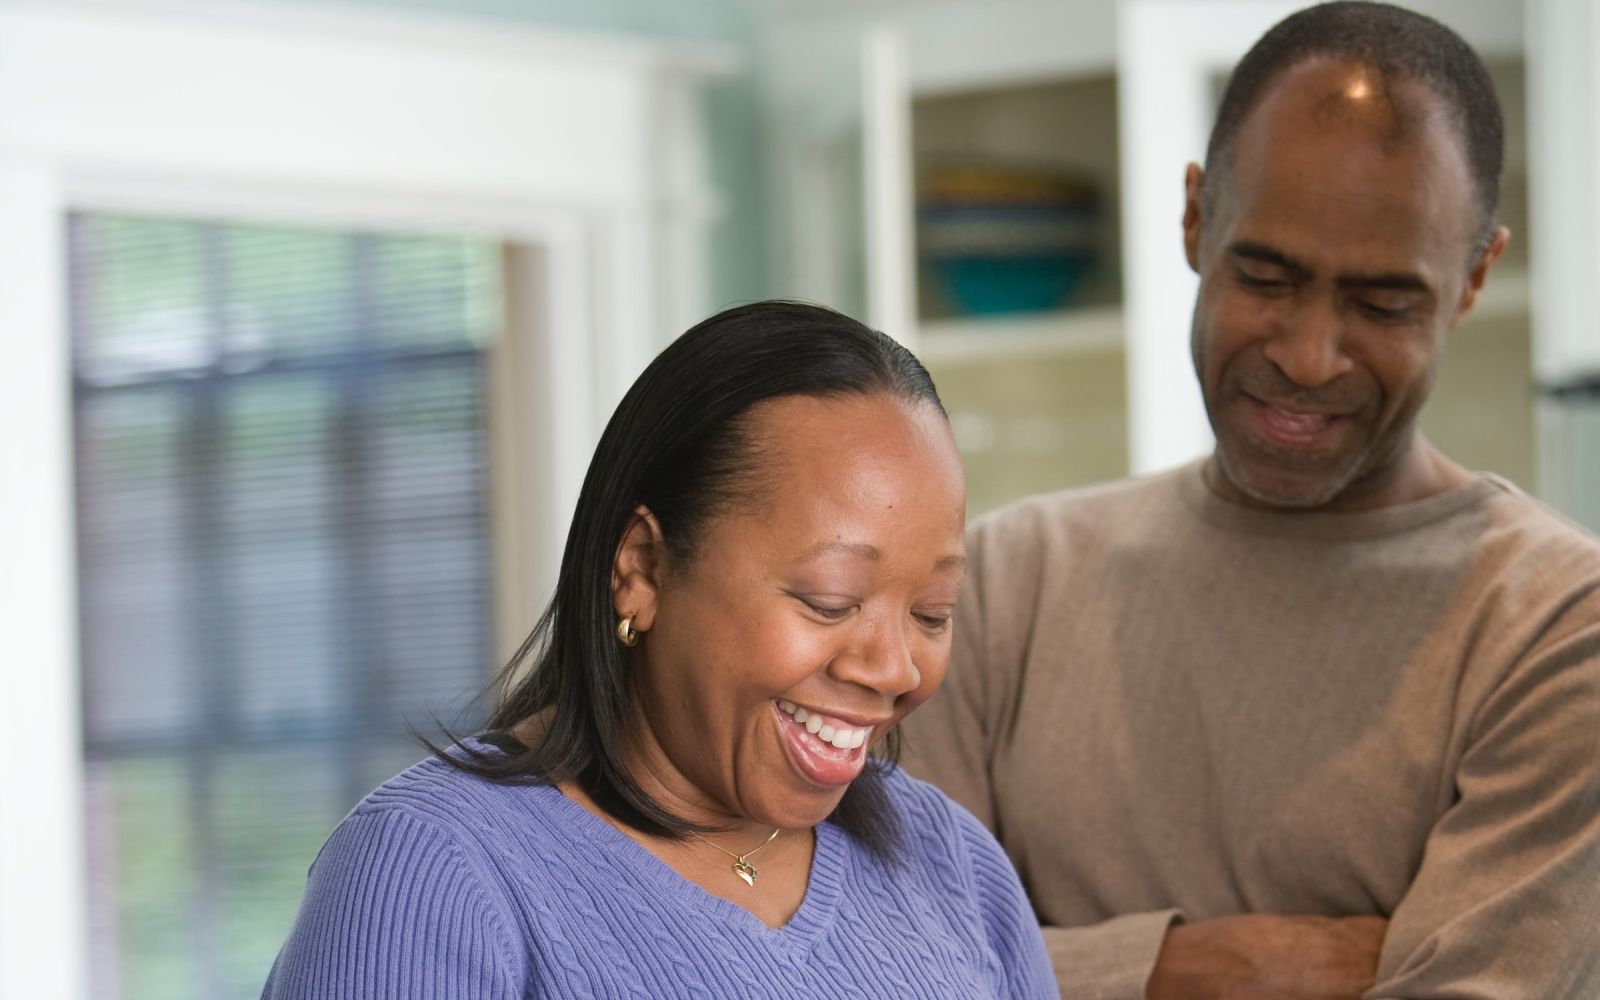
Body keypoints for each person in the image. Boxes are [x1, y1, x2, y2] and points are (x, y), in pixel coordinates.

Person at [902, 3, 1600, 999]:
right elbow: (880, 961)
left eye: (1382, 303)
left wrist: (1040, 964)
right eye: (1266, 277)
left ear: (1474, 276)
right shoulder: (1006, 583)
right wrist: (1189, 967)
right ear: (1194, 220)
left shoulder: (1558, 629)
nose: (1309, 355)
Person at [261, 301, 1057, 999]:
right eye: (829, 601)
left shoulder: (950, 862)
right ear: (641, 567)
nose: (894, 668)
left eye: (931, 612)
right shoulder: (430, 874)